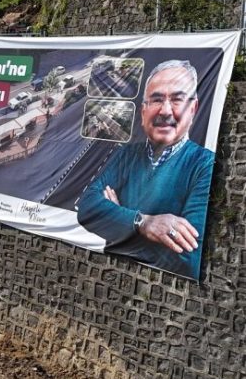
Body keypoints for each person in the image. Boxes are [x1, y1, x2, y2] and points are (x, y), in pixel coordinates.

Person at [76, 60, 213, 279]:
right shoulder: (126, 154)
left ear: (193, 108)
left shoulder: (204, 165)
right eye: (156, 99)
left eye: (177, 99)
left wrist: (117, 218)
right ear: (143, 112)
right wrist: (143, 223)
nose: (165, 111)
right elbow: (86, 208)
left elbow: (188, 258)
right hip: (109, 276)